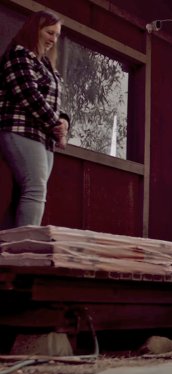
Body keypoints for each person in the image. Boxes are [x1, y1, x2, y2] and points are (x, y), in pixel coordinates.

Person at [0, 10, 70, 230]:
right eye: (49, 32)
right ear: (35, 30)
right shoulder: (19, 54)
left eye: (57, 35)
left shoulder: (48, 66)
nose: (53, 39)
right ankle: (25, 250)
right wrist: (56, 126)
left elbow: (55, 102)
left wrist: (65, 121)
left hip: (44, 137)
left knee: (26, 192)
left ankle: (7, 250)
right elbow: (28, 95)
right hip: (20, 129)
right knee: (35, 191)